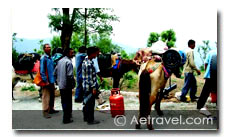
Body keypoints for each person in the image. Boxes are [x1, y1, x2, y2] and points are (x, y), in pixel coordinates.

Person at [54, 48, 75, 124]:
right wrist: (72, 84)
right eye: (72, 53)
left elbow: (55, 73)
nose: (73, 54)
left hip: (61, 85)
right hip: (67, 86)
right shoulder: (68, 62)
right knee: (68, 101)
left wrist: (58, 81)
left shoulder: (59, 61)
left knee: (64, 101)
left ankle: (66, 116)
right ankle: (67, 118)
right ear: (67, 53)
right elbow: (70, 75)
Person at [82, 47, 100, 125]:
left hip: (86, 86)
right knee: (90, 104)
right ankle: (90, 120)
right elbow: (89, 78)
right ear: (93, 53)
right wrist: (93, 88)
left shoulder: (87, 60)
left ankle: (86, 117)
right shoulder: (88, 64)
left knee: (87, 102)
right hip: (90, 87)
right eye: (97, 53)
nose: (98, 54)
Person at [40, 43, 58, 118]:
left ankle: (51, 109)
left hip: (52, 80)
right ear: (44, 49)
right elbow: (42, 71)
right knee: (46, 96)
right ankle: (45, 111)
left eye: (50, 47)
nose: (49, 48)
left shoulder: (50, 58)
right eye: (47, 47)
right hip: (46, 81)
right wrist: (45, 80)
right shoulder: (43, 58)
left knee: (52, 95)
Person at [197, 49, 217, 116]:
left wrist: (206, 73)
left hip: (210, 76)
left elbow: (206, 63)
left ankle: (200, 106)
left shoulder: (211, 52)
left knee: (205, 92)